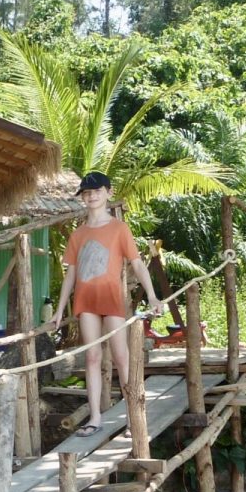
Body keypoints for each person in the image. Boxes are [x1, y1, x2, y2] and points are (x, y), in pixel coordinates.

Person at [50, 171, 163, 437]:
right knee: (92, 357)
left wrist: (153, 295)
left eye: (96, 191)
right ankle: (95, 417)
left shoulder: (119, 228)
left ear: (108, 193)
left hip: (112, 299)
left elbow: (136, 263)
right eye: (87, 193)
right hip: (86, 300)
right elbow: (71, 273)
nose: (91, 196)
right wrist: (58, 309)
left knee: (122, 356)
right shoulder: (78, 235)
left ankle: (133, 418)